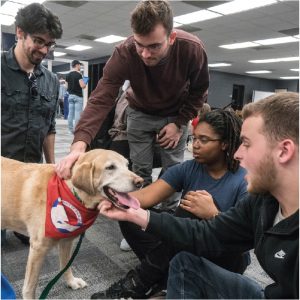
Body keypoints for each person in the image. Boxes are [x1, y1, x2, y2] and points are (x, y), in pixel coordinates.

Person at [98, 92, 299, 299]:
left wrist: (212, 213)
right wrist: (122, 207)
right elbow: (206, 232)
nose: (239, 154)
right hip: (208, 248)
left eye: (247, 143)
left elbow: (225, 241)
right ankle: (157, 278)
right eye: (195, 138)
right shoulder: (262, 201)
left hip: (228, 258)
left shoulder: (248, 185)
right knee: (177, 250)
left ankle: (146, 282)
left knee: (189, 213)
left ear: (284, 151)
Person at [56, 0, 209, 211]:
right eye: (140, 45)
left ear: (171, 38)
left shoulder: (192, 49)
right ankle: (136, 218)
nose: (146, 54)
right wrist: (79, 144)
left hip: (176, 114)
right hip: (139, 112)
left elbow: (199, 92)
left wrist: (180, 123)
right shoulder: (125, 52)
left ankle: (169, 218)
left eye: (154, 46)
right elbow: (101, 97)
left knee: (173, 170)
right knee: (140, 170)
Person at [92, 109, 250, 299]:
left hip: (224, 256)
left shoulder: (245, 180)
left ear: (224, 144)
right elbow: (144, 197)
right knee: (129, 211)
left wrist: (213, 214)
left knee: (189, 209)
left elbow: (243, 239)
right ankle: (163, 281)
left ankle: (139, 283)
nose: (196, 146)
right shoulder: (189, 168)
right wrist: (104, 196)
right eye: (194, 139)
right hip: (181, 247)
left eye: (204, 140)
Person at [1, 2, 63, 244]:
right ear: (19, 33)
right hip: (1, 175)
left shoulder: (51, 81)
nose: (44, 50)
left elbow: (49, 128)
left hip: (31, 177)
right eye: (38, 41)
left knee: (37, 237)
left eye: (49, 44)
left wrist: (53, 170)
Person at [65, 59, 87, 133]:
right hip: (78, 96)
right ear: (77, 65)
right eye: (79, 65)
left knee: (70, 113)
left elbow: (66, 87)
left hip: (70, 96)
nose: (80, 66)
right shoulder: (79, 75)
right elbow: (82, 86)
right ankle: (76, 130)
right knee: (78, 113)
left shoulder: (67, 75)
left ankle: (70, 129)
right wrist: (85, 82)